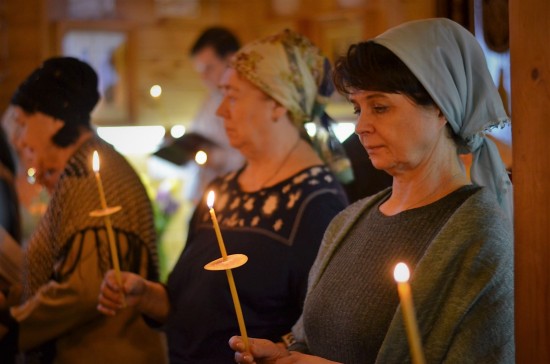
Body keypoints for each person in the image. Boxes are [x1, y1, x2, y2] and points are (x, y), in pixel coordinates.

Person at [230, 18, 514, 363]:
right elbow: (312, 338)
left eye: (380, 107)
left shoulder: (483, 236)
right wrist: (283, 354)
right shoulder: (348, 221)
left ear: (440, 107)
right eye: (358, 108)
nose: (362, 127)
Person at [98, 29, 349, 363]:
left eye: (232, 96)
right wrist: (145, 295)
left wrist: (279, 351)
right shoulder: (224, 188)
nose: (220, 112)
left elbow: (320, 332)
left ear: (276, 104)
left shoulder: (318, 204)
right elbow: (182, 300)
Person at [4, 57, 167, 363]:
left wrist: (11, 327)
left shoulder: (91, 177)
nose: (20, 138)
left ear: (52, 118)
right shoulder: (84, 168)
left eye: (24, 123)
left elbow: (84, 290)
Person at [185, 26, 245, 204]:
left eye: (209, 68)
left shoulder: (246, 102)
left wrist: (216, 159)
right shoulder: (209, 100)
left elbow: (249, 156)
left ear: (230, 60)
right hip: (204, 196)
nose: (203, 77)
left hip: (231, 198)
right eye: (200, 70)